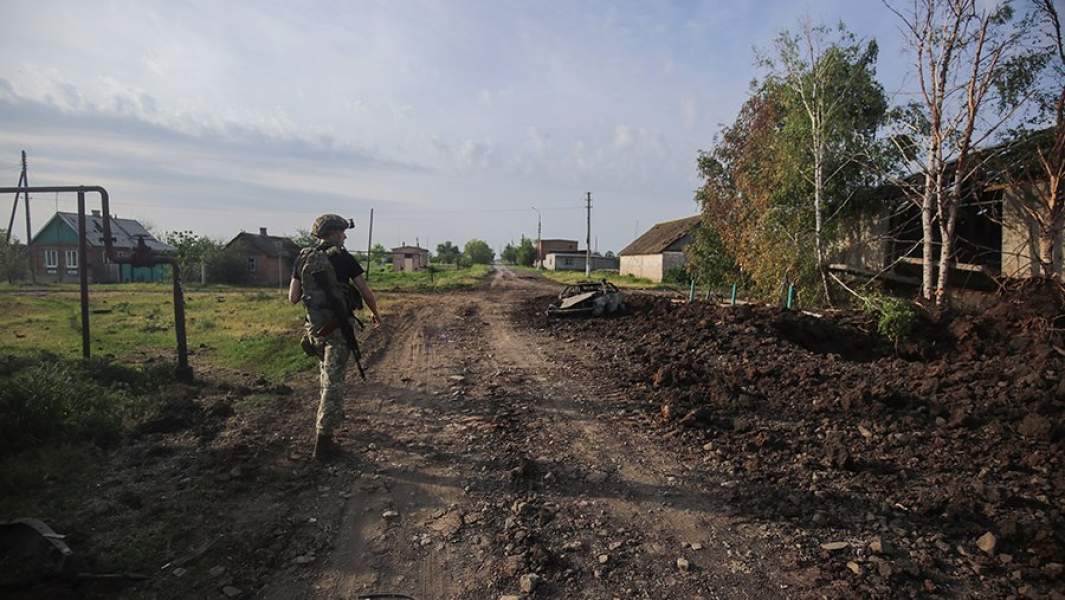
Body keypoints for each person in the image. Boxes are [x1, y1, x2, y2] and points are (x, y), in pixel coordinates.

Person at [288, 214, 382, 460]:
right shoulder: (344, 258)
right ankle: (324, 443)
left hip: (315, 329)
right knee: (334, 383)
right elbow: (366, 292)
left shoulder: (302, 257)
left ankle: (332, 416)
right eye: (342, 232)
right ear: (332, 233)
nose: (345, 236)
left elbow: (293, 297)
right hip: (339, 330)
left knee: (325, 375)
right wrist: (376, 314)